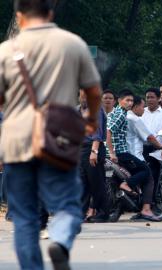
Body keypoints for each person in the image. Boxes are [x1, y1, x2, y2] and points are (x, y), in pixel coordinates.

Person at [0, 1, 101, 268]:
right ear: (50, 13)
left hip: (17, 141)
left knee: (24, 217)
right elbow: (93, 91)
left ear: (19, 17)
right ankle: (59, 240)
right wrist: (90, 121)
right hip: (59, 138)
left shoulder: (5, 51)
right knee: (68, 204)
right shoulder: (72, 44)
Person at [106, 90, 161, 222]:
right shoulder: (124, 115)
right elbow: (109, 132)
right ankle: (143, 205)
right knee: (147, 172)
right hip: (122, 152)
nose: (129, 103)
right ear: (119, 101)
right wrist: (112, 152)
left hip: (116, 152)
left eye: (131, 101)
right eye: (127, 100)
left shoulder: (117, 113)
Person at [141, 87, 162, 219]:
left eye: (152, 97)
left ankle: (160, 207)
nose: (149, 100)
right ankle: (143, 207)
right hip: (141, 150)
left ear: (158, 99)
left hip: (157, 151)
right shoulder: (141, 112)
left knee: (156, 178)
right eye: (147, 97)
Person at [78, 89, 109, 223]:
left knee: (96, 182)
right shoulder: (77, 110)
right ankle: (81, 213)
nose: (84, 98)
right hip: (80, 149)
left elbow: (98, 132)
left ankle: (103, 212)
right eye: (82, 95)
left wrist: (94, 152)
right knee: (82, 183)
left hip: (93, 148)